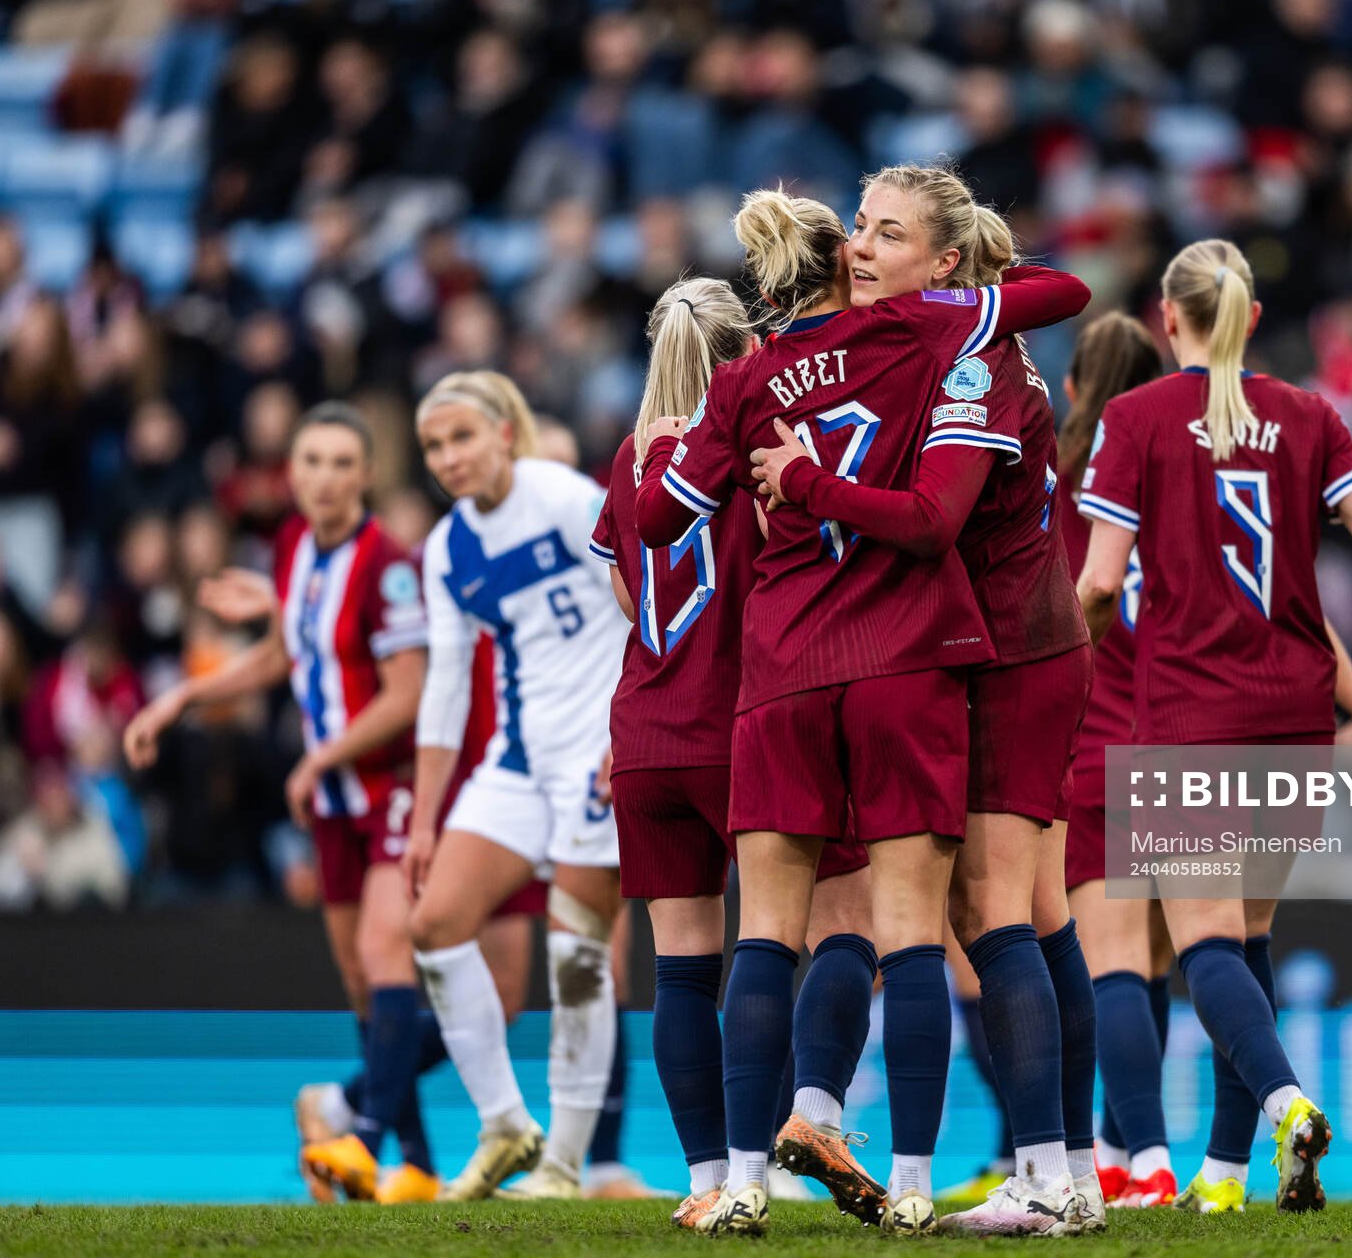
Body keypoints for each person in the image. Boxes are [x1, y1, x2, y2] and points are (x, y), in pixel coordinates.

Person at [635, 186, 1089, 1236]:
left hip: (784, 673)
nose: (870, 243)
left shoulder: (745, 378)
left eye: (888, 228)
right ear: (843, 265)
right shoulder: (929, 329)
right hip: (909, 662)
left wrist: (700, 445)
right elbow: (1062, 293)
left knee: (766, 938)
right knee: (920, 933)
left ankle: (740, 1177)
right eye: (863, 232)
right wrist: (977, 291)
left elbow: (657, 518)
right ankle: (928, 1182)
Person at [1075, 238, 1352, 1214]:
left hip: (1192, 711)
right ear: (1253, 321)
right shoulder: (1311, 413)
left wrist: (1067, 649)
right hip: (1292, 711)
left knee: (1206, 948)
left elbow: (1102, 582)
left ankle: (1285, 1100)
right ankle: (1225, 1176)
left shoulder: (1137, 418)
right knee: (1250, 939)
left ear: (1165, 316)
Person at [591, 276, 874, 1228]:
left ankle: (710, 1180)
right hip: (746, 724)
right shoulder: (748, 450)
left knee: (680, 971)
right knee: (846, 927)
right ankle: (800, 1126)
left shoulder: (632, 457)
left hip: (644, 735)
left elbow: (631, 600)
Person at [123, 403, 456, 1204]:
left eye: (343, 463)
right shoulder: (293, 548)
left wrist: (318, 758)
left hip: (392, 785)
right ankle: (413, 1162)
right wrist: (183, 700)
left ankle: (357, 1132)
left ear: (367, 475)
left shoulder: (390, 564)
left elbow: (407, 694)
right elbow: (284, 652)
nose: (326, 477)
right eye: (312, 461)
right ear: (291, 471)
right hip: (337, 801)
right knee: (358, 981)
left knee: (385, 955)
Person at [405, 370, 630, 1201]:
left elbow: (646, 602)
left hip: (598, 754)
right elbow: (447, 685)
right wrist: (426, 820)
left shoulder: (568, 500)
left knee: (576, 956)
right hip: (517, 759)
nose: (449, 457)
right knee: (433, 924)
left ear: (506, 432)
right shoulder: (446, 549)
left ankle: (564, 1165)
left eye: (462, 436)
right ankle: (505, 1125)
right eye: (433, 446)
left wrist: (631, 727)